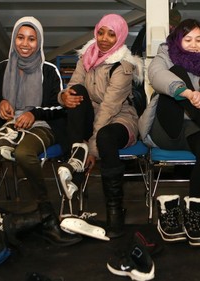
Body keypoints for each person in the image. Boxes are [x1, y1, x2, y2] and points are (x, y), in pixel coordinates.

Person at [0, 16, 81, 247]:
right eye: (20, 37)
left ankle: (46, 211)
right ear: (13, 40)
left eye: (31, 39)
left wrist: (34, 114)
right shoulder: (2, 67)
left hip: (42, 126)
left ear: (39, 42)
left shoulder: (48, 70)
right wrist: (0, 105)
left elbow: (57, 106)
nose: (25, 44)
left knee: (23, 153)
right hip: (9, 126)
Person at [139, 19, 200, 247]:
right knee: (178, 73)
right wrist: (188, 93)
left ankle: (194, 213)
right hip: (165, 127)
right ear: (178, 40)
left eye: (198, 39)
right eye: (188, 39)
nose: (193, 45)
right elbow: (156, 75)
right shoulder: (165, 53)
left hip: (196, 126)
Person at [56, 14, 143, 238]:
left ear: (120, 36)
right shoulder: (87, 56)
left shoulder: (123, 66)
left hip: (120, 118)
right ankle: (76, 157)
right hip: (91, 116)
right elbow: (73, 86)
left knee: (104, 137)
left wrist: (92, 149)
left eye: (111, 34)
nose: (104, 38)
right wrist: (63, 97)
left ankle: (115, 209)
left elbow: (109, 108)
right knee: (77, 93)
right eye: (101, 32)